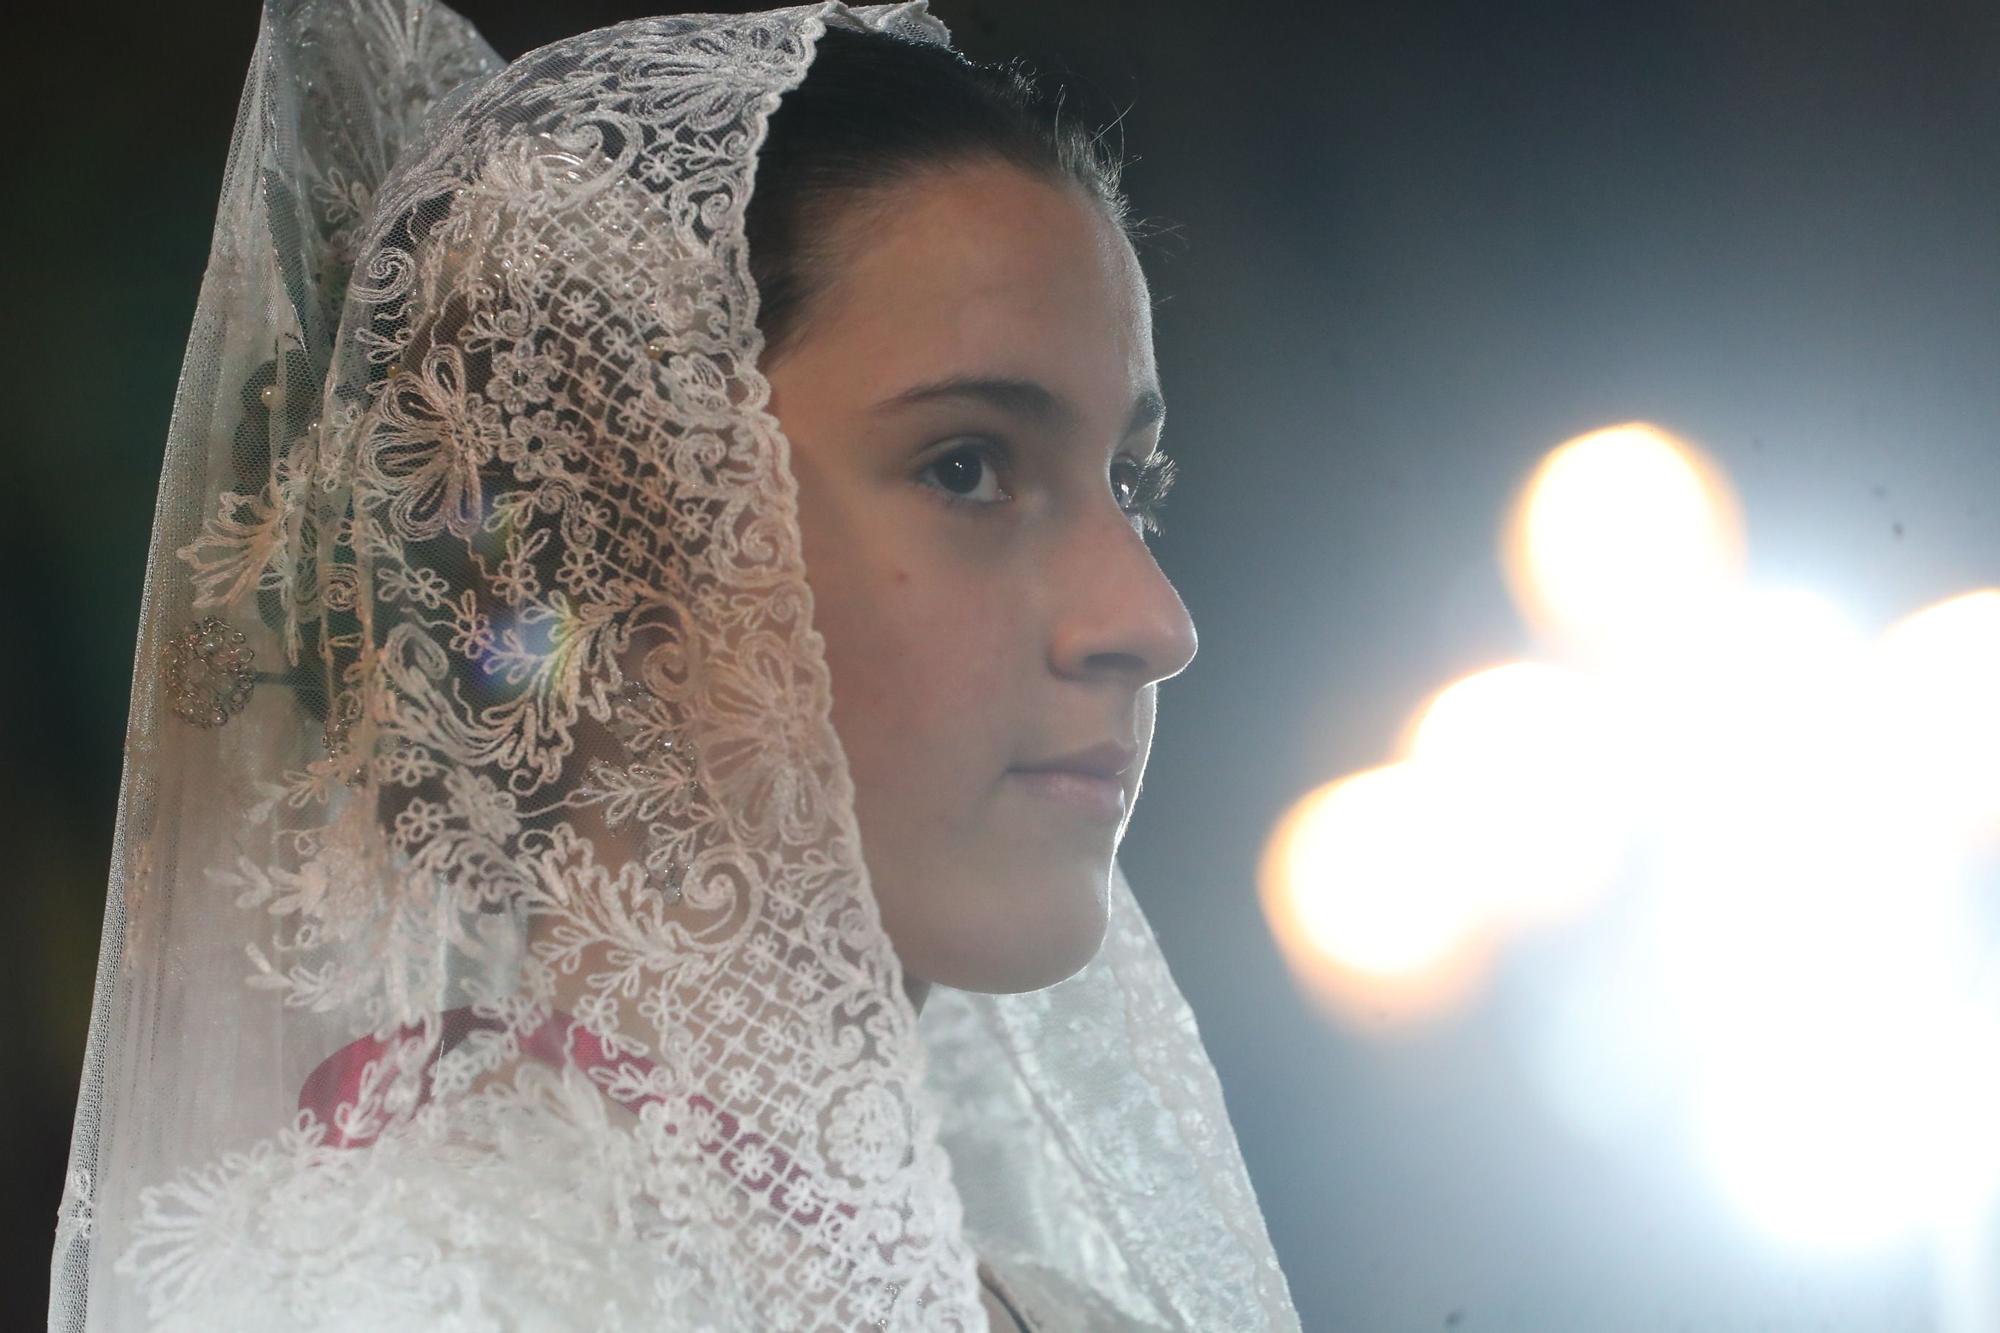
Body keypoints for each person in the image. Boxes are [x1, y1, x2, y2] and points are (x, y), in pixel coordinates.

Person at [48, 2, 1300, 1328]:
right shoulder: (407, 1290)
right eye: (966, 466)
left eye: (1131, 483)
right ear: (610, 534)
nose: (1152, 618)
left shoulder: (1063, 1311)